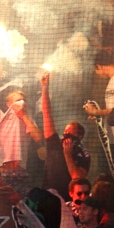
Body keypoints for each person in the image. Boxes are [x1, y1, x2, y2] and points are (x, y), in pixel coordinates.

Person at [0, 56, 42, 194]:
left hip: (20, 172)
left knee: (20, 208)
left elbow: (39, 137)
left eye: (23, 100)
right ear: (9, 104)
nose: (21, 103)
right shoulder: (0, 117)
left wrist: (24, 116)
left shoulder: (27, 118)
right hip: (3, 172)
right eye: (17, 100)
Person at [40, 72, 90, 200]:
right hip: (48, 195)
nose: (66, 136)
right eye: (65, 133)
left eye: (70, 133)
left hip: (68, 199)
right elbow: (47, 114)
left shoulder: (83, 154)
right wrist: (45, 87)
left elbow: (77, 177)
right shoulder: (55, 144)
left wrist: (68, 155)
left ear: (79, 137)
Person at [84, 51, 114, 177]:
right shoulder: (113, 79)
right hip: (112, 134)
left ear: (99, 66)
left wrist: (96, 111)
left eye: (96, 71)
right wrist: (99, 116)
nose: (97, 75)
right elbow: (112, 108)